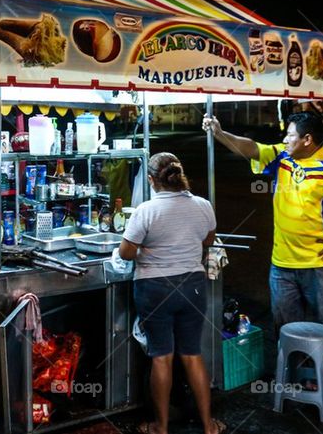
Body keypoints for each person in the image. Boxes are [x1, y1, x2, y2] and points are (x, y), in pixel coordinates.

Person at [202, 111, 323, 332]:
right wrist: (219, 133)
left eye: (290, 135)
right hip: (282, 265)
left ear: (307, 139)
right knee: (285, 329)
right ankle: (289, 357)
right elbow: (251, 148)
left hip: (322, 266)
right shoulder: (282, 156)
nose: (285, 139)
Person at [118, 152, 225, 434]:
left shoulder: (146, 210)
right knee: (192, 354)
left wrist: (149, 247)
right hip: (192, 286)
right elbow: (208, 239)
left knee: (161, 356)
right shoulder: (203, 205)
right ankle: (209, 425)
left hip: (155, 288)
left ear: (151, 180)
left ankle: (160, 427)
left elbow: (126, 253)